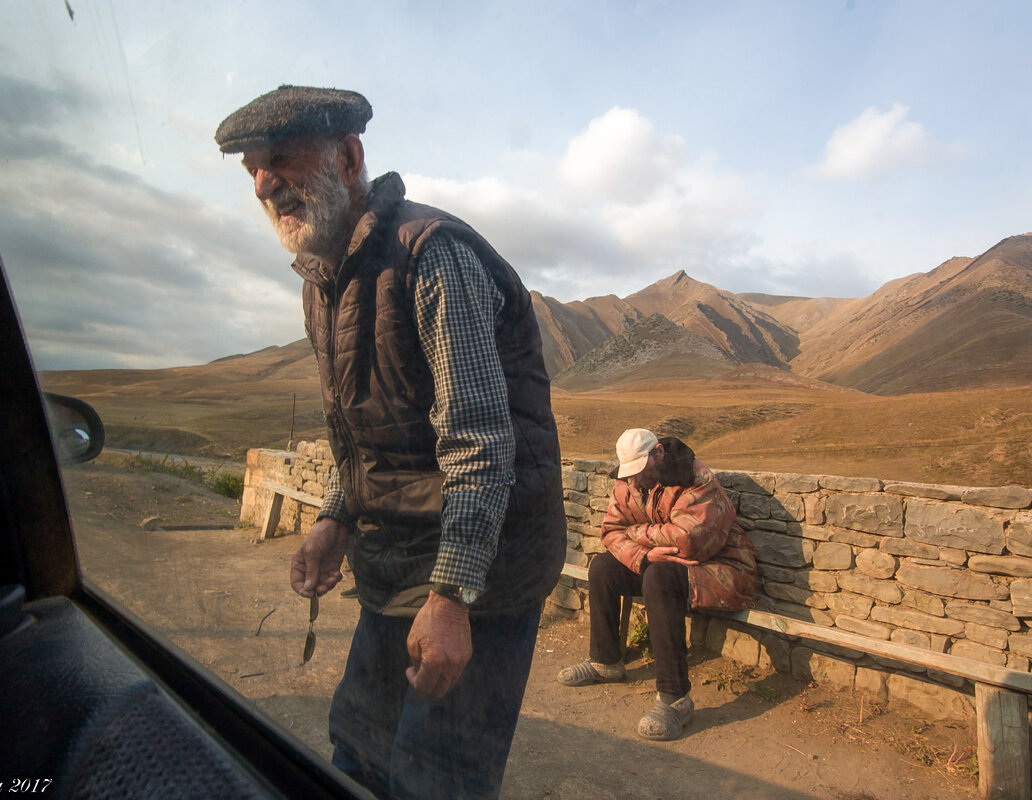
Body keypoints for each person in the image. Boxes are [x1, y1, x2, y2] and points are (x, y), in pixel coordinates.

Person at [215, 86, 566, 800]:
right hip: (393, 556)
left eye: (280, 158)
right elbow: (360, 433)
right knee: (359, 748)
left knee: (433, 779)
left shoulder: (433, 259)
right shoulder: (322, 282)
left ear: (348, 158)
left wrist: (453, 596)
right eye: (251, 168)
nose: (263, 183)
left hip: (484, 568)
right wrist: (334, 519)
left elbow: (478, 443)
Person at [557, 428, 757, 741]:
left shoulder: (695, 478)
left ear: (659, 453)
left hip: (721, 569)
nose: (635, 478)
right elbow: (610, 532)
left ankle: (674, 698)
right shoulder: (628, 483)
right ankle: (606, 661)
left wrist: (637, 534)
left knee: (659, 577)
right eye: (630, 472)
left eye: (641, 469)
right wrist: (647, 554)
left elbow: (689, 542)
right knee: (603, 568)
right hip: (668, 564)